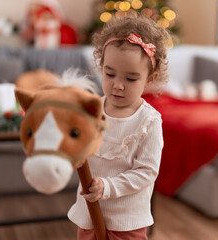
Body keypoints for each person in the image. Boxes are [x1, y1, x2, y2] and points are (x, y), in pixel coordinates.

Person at [67, 14, 170, 240]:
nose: (118, 86)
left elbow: (146, 172)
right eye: (110, 74)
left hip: (126, 222)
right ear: (101, 67)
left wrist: (108, 187)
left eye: (131, 79)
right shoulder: (90, 110)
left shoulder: (149, 122)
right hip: (89, 215)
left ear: (150, 79)